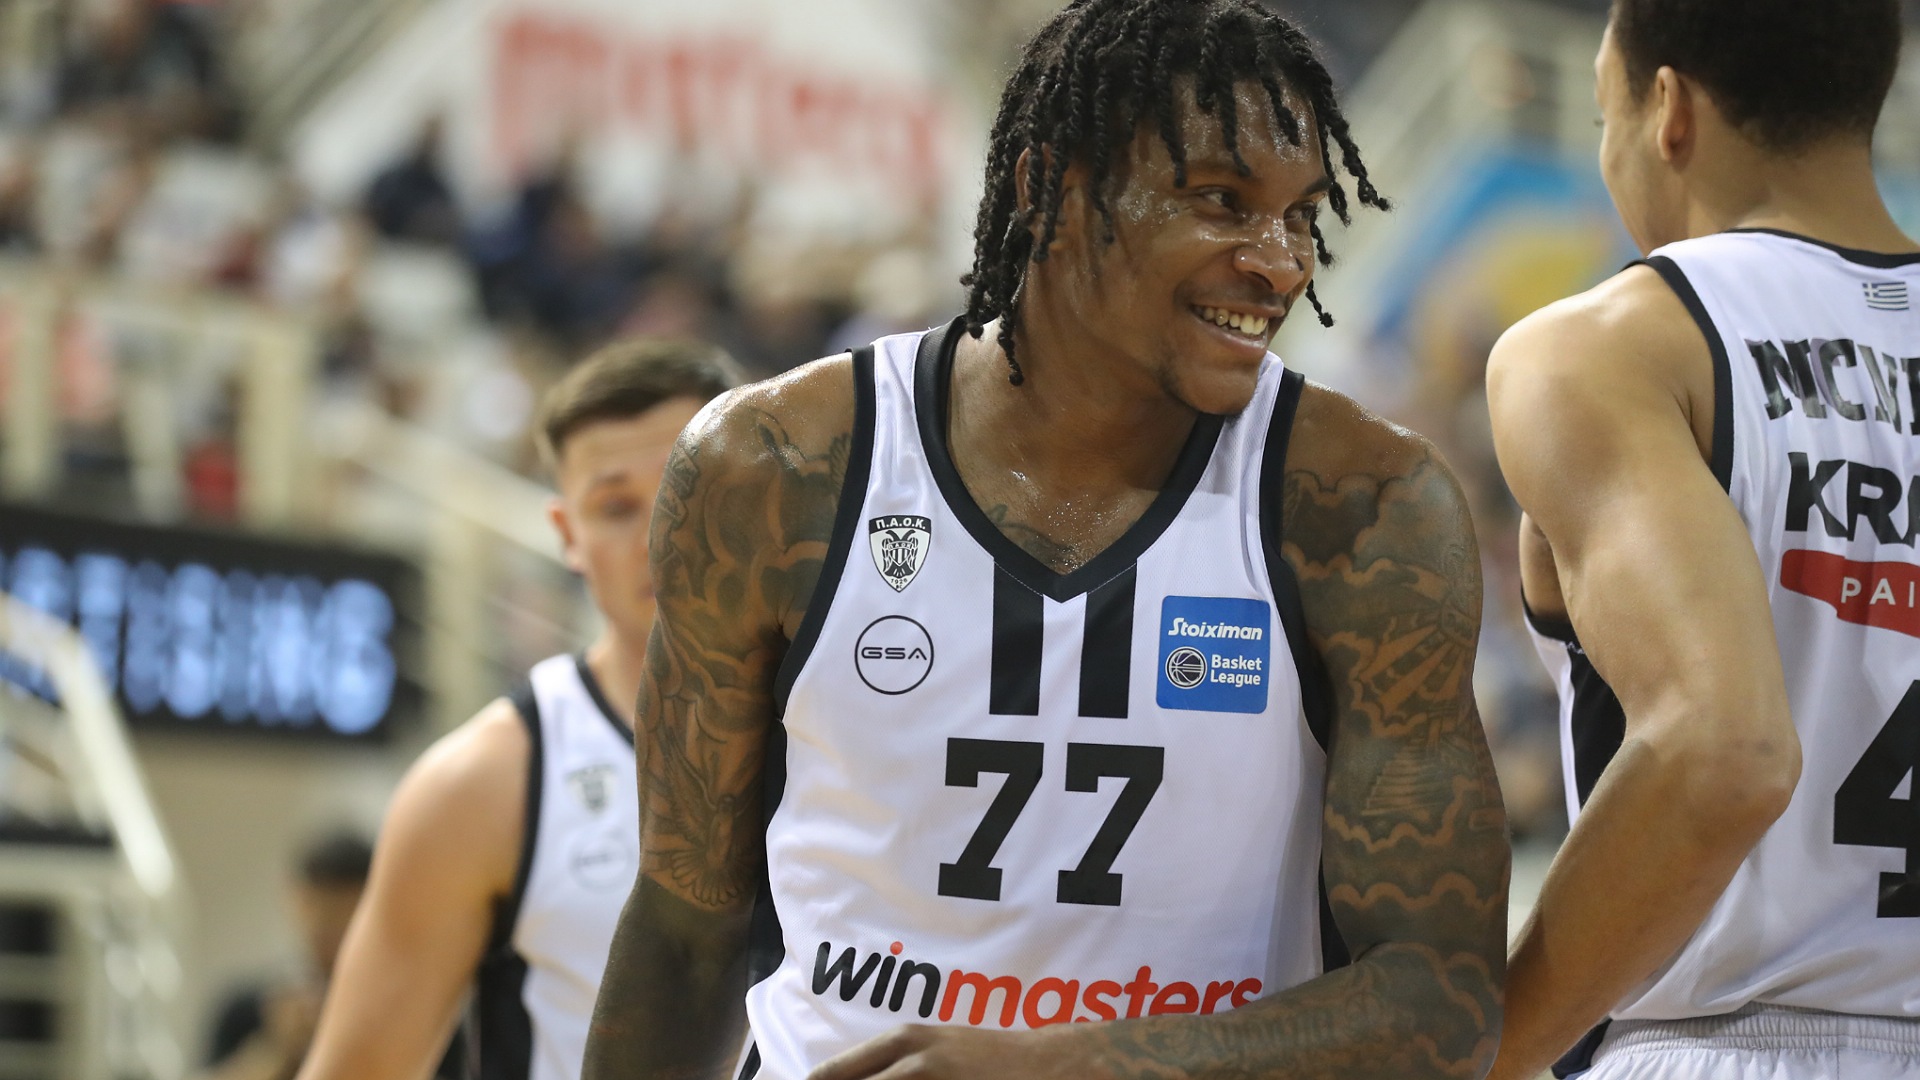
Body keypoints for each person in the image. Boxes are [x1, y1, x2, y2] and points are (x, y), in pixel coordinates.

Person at [583, 3, 1511, 1078]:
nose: (1280, 262)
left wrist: (1057, 1069)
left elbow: (1442, 999)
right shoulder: (771, 470)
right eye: (1222, 201)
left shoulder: (1365, 508)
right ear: (1050, 188)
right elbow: (684, 929)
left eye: (1301, 215)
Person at [1485, 2, 1920, 1078]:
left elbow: (1723, 753)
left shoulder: (1609, 349)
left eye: (1606, 115)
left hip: (1724, 1041)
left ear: (1669, 110)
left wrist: (1482, 1054)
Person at [296, 339, 742, 1080]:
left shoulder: (860, 725)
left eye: (683, 488)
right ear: (568, 536)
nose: (658, 534)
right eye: (616, 507)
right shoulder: (481, 783)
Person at [203, 832, 412, 1080]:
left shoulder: (410, 1009)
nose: (324, 922)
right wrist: (275, 1050)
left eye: (341, 909)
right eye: (315, 904)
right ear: (293, 897)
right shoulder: (244, 1010)